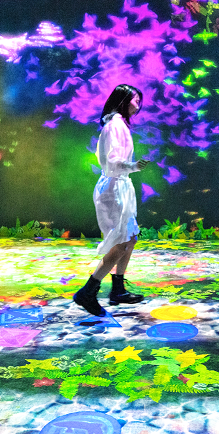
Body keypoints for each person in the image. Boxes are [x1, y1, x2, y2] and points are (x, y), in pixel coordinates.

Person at [73, 84, 150, 316]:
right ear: (123, 100)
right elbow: (112, 160)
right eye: (135, 99)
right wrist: (133, 166)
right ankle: (88, 291)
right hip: (113, 189)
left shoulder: (120, 124)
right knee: (121, 242)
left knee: (131, 238)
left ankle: (118, 289)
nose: (138, 105)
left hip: (120, 186)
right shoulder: (114, 125)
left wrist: (131, 169)